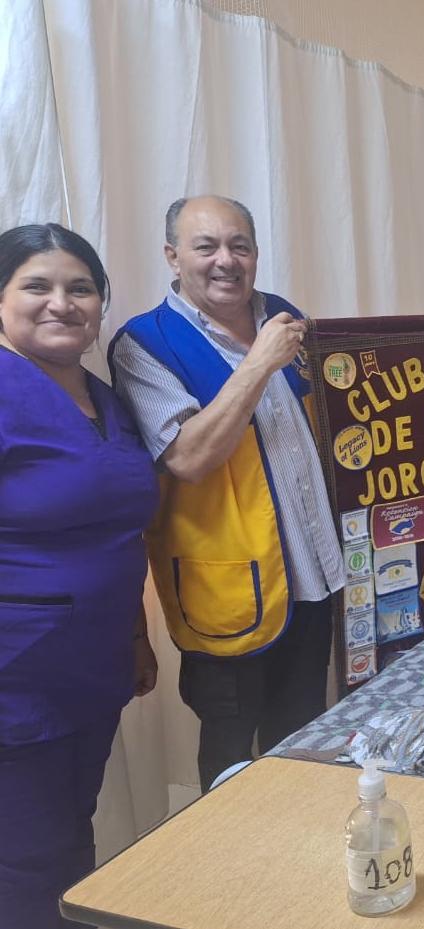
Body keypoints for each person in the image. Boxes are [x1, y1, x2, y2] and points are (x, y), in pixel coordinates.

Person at [109, 196, 345, 791]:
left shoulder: (283, 316)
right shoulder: (145, 343)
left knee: (303, 739)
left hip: (315, 578)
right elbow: (188, 458)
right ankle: (230, 852)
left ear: (256, 254)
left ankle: (301, 843)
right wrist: (257, 364)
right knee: (231, 757)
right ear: (173, 257)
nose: (226, 260)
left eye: (239, 246)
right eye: (206, 246)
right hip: (227, 589)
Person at [0, 224, 159, 929]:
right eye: (36, 285)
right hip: (17, 678)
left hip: (94, 670)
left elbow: (120, 532)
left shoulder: (104, 397)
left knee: (70, 834)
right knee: (25, 860)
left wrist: (137, 636)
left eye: (81, 288)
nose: (61, 303)